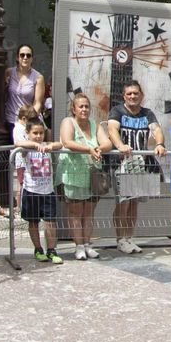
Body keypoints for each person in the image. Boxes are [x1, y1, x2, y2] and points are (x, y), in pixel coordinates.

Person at [108, 80, 164, 254]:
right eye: (129, 93)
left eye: (136, 93)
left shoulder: (147, 113)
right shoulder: (117, 111)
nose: (133, 96)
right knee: (123, 203)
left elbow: (156, 129)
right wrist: (120, 145)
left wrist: (160, 143)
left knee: (134, 203)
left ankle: (129, 238)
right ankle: (120, 239)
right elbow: (112, 129)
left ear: (141, 95)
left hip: (141, 164)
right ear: (124, 96)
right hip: (122, 163)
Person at [58, 93, 106, 260]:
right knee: (76, 212)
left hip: (91, 175)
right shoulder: (68, 122)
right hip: (73, 174)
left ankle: (87, 244)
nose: (84, 109)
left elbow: (106, 142)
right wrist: (89, 149)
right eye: (81, 106)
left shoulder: (95, 124)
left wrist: (100, 149)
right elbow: (67, 142)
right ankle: (78, 245)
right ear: (74, 109)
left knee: (89, 212)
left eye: (86, 106)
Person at [15, 120, 62, 264]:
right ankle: (38, 249)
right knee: (33, 222)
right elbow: (18, 143)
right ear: (28, 134)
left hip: (47, 191)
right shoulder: (27, 148)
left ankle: (52, 250)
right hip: (31, 191)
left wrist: (50, 146)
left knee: (50, 222)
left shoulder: (46, 145)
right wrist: (35, 145)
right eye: (35, 133)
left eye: (41, 133)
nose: (38, 136)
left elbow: (60, 144)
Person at [7, 45, 47, 132]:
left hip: (28, 122)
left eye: (28, 55)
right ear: (17, 57)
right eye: (22, 55)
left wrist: (29, 120)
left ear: (32, 58)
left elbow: (38, 103)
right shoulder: (9, 73)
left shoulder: (38, 77)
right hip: (11, 119)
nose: (25, 58)